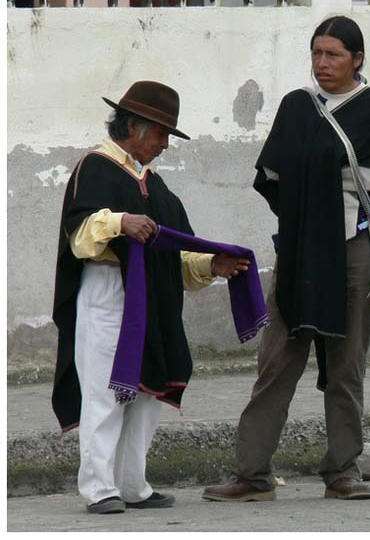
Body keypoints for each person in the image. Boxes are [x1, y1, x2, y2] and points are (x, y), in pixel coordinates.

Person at [203, 15, 370, 503]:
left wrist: (314, 171)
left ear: (357, 60)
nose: (323, 63)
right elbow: (272, 173)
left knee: (347, 363)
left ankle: (343, 469)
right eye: (317, 53)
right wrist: (325, 180)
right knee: (277, 358)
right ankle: (252, 474)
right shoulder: (296, 107)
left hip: (353, 249)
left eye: (334, 54)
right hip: (299, 247)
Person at [52, 81, 252, 514]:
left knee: (144, 394)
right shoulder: (96, 168)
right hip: (108, 293)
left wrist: (210, 266)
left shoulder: (157, 187)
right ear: (135, 127)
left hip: (153, 300)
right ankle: (98, 487)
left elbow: (176, 258)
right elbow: (81, 237)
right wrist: (121, 222)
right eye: (160, 134)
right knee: (106, 391)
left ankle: (132, 485)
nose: (164, 145)